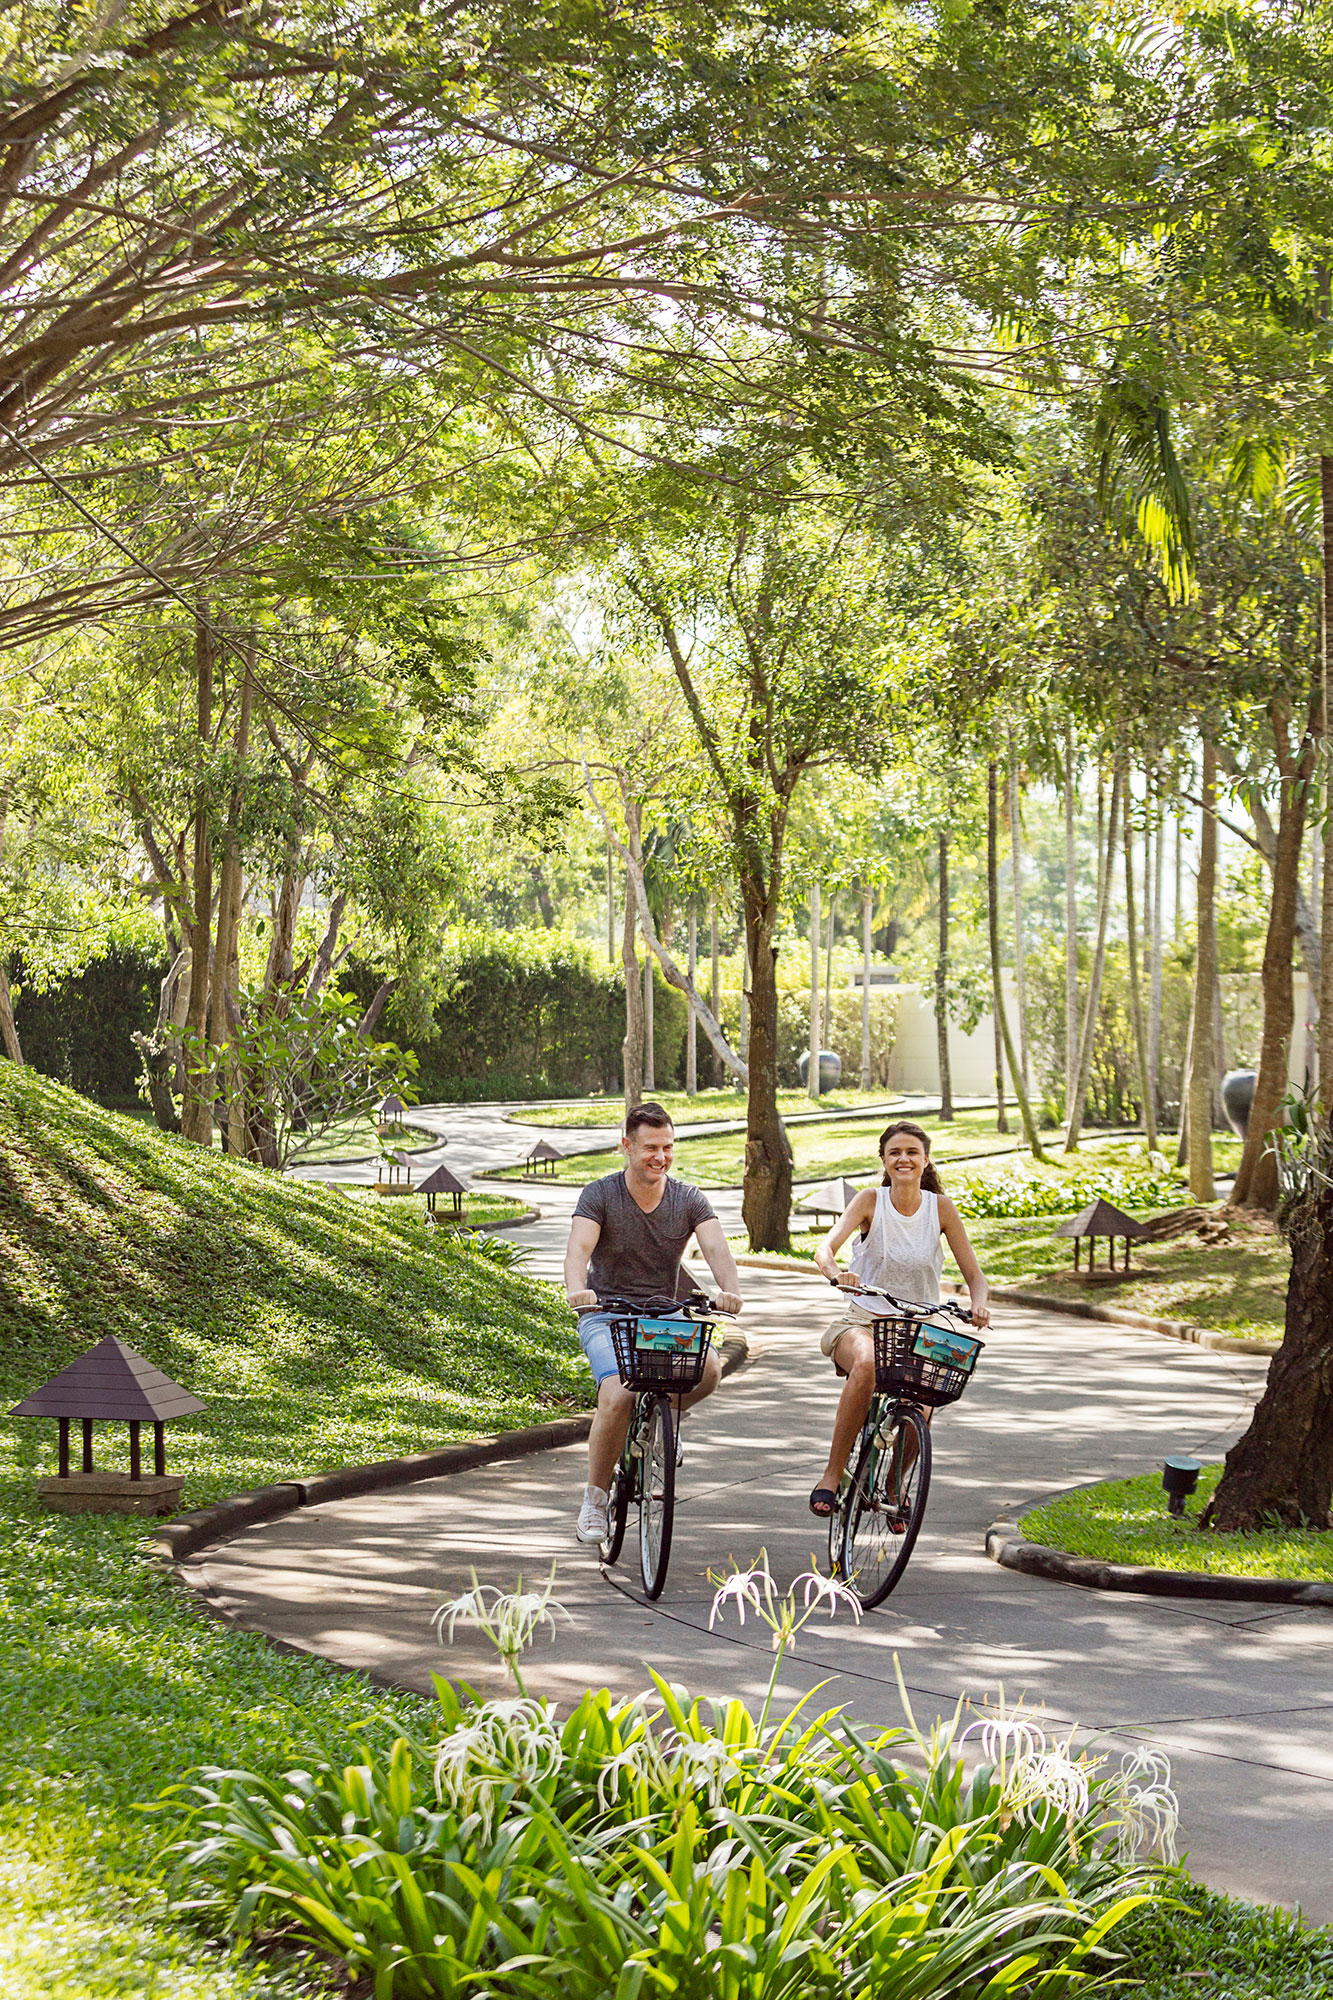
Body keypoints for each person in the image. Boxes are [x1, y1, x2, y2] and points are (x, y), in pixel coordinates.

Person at [564, 1101, 743, 1544]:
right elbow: (577, 1251)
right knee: (619, 1393)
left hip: (666, 1313)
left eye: (667, 1147)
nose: (659, 1157)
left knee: (709, 1370)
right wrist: (576, 1289)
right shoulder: (601, 1195)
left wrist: (729, 1288)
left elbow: (718, 1249)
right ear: (626, 1146)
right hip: (607, 1312)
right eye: (649, 1148)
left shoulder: (688, 1198)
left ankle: (657, 1425)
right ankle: (595, 1498)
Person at [807, 1119, 990, 1518]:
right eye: (895, 1152)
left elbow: (974, 1275)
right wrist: (837, 1274)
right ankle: (832, 1476)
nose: (903, 1159)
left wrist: (979, 1303)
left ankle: (893, 1486)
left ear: (925, 1160)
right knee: (869, 1364)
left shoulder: (940, 1209)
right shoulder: (871, 1200)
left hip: (917, 1329)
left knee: (925, 1400)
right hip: (862, 1321)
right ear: (884, 1161)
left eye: (912, 1152)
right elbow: (825, 1249)